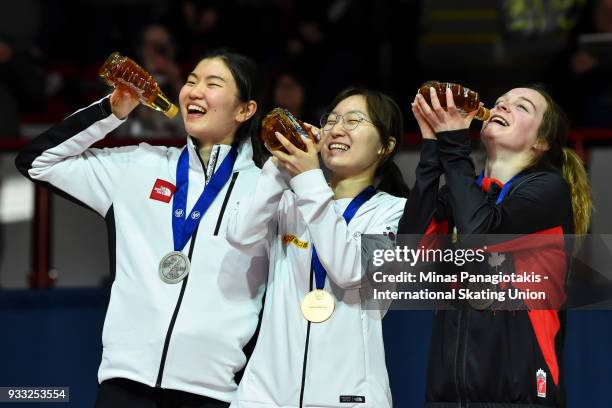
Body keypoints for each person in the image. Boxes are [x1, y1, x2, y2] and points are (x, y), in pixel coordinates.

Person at [15, 49, 268, 408]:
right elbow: (37, 162)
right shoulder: (140, 166)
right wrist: (112, 110)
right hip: (125, 385)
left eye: (213, 84)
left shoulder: (268, 191)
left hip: (214, 393)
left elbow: (367, 292)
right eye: (192, 80)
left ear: (246, 110)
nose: (195, 91)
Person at [400, 85, 592, 406]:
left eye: (522, 106)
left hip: (519, 396)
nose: (503, 105)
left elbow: (480, 231)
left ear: (541, 141)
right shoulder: (464, 195)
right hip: (447, 395)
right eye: (501, 100)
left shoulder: (548, 190)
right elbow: (407, 252)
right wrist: (433, 145)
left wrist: (455, 145)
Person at [227, 87, 409, 408]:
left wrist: (310, 178)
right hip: (264, 395)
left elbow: (350, 270)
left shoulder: (396, 213)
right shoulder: (290, 200)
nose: (337, 128)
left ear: (386, 145)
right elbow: (240, 236)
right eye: (333, 119)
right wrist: (278, 169)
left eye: (354, 121)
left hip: (349, 397)